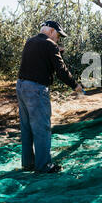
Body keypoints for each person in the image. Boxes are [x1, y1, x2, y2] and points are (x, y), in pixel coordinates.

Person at [16, 20, 84, 173]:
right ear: (52, 31)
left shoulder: (30, 41)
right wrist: (75, 85)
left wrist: (56, 51)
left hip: (21, 87)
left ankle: (28, 164)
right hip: (37, 90)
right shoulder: (50, 45)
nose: (58, 39)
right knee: (41, 128)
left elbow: (39, 59)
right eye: (58, 36)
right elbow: (61, 71)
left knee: (26, 128)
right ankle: (44, 166)